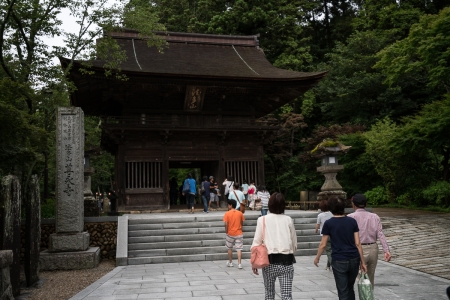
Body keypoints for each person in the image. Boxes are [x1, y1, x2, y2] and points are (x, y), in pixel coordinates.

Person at [314, 195, 367, 300]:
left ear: (331, 208)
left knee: (342, 290)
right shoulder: (352, 221)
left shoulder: (329, 223)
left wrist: (317, 257)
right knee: (350, 288)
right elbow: (358, 243)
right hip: (354, 259)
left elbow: (323, 244)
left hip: (339, 260)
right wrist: (363, 262)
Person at [251, 193, 297, 300]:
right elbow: (294, 242)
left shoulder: (262, 219)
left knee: (269, 294)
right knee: (286, 296)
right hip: (286, 261)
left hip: (269, 262)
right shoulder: (288, 219)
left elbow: (256, 242)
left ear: (270, 204)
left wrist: (254, 262)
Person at [347, 194, 391, 288]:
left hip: (358, 248)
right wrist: (386, 250)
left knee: (360, 277)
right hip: (373, 248)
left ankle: (363, 297)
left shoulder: (350, 217)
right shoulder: (374, 216)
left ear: (353, 204)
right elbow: (380, 234)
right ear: (366, 204)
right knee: (370, 277)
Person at [223, 199, 245, 269]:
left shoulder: (227, 213)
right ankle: (239, 264)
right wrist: (240, 229)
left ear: (231, 205)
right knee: (239, 248)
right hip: (239, 233)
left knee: (229, 248)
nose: (228, 206)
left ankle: (230, 262)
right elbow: (242, 222)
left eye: (228, 205)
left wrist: (226, 231)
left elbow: (226, 224)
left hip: (230, 233)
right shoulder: (240, 213)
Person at [315, 199, 333, 271]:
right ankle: (328, 266)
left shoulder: (320, 215)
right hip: (332, 234)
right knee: (331, 250)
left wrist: (316, 230)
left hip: (325, 235)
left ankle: (333, 264)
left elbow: (318, 225)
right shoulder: (332, 214)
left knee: (328, 251)